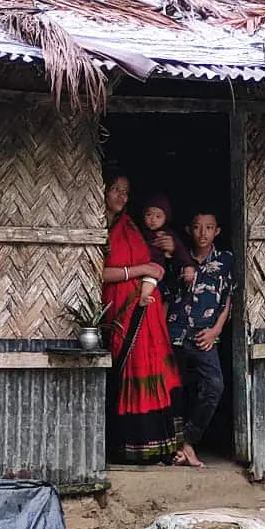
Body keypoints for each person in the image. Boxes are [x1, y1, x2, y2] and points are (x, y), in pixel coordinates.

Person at [100, 174, 182, 464]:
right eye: (116, 190)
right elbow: (98, 272)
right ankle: (128, 446)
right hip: (120, 309)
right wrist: (141, 270)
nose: (122, 197)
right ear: (103, 190)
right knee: (126, 371)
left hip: (145, 308)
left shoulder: (131, 226)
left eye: (126, 192)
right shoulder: (98, 228)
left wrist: (160, 263)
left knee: (150, 367)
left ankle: (158, 445)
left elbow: (156, 259)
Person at [164, 210, 234, 468]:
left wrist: (216, 331)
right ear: (188, 230)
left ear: (217, 231)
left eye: (209, 227)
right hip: (175, 333)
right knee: (175, 392)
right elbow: (166, 296)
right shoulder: (178, 259)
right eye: (197, 227)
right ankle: (175, 449)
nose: (203, 233)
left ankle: (190, 441)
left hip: (205, 337)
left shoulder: (225, 260)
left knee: (214, 386)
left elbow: (227, 300)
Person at [138, 193, 196, 308]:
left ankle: (144, 296)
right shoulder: (138, 232)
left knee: (151, 279)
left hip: (155, 267)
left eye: (158, 216)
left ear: (166, 218)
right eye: (149, 214)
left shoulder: (167, 235)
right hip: (139, 266)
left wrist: (188, 266)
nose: (153, 219)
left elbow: (181, 252)